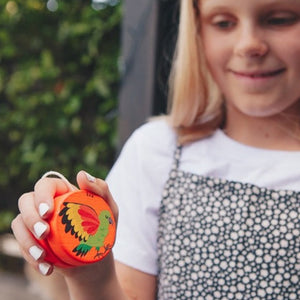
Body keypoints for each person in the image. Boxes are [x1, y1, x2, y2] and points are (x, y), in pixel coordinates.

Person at [11, 0, 300, 299]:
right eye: (223, 23)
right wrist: (91, 275)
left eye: (279, 19)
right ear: (198, 31)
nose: (249, 45)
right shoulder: (157, 152)